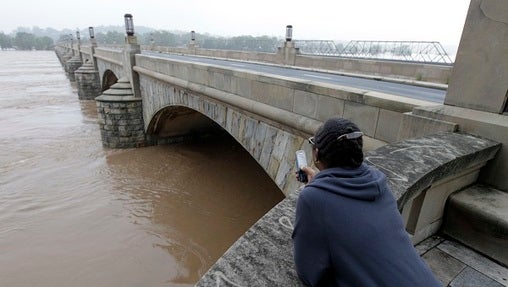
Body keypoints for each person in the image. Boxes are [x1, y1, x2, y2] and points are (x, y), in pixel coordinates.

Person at [292, 117, 441, 287]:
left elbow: (308, 272)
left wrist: (315, 192)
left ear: (317, 154)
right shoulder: (379, 183)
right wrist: (319, 183)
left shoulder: (313, 199)